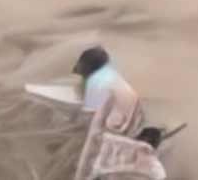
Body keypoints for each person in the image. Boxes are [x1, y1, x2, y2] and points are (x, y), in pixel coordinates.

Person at [68, 44, 163, 180]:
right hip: (121, 142)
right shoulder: (115, 82)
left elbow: (95, 134)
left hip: (111, 151)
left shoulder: (100, 85)